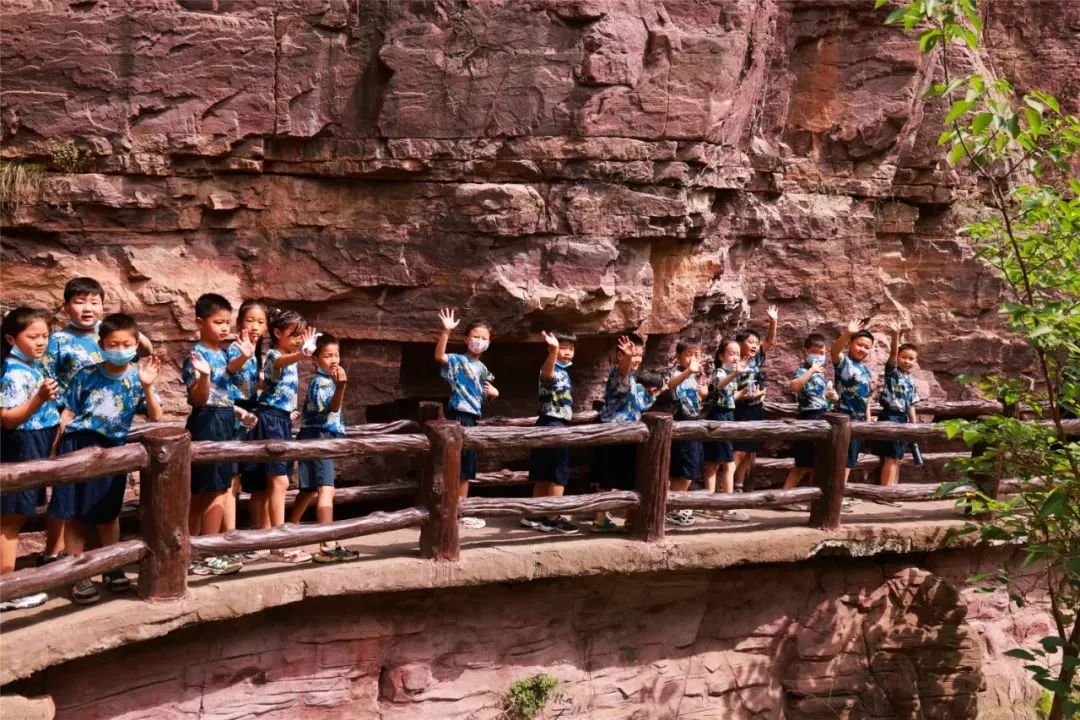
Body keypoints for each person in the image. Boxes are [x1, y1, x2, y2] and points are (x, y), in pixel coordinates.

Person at [50, 313, 162, 605]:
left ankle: (112, 566)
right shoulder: (86, 374)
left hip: (113, 449)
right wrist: (58, 447)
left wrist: (148, 386)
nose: (120, 349)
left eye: (126, 344)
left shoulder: (138, 378)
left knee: (108, 512)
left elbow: (155, 415)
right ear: (101, 345)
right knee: (75, 512)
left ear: (136, 344)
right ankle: (77, 571)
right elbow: (68, 411)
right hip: (78, 443)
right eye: (113, 344)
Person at [41, 277, 152, 564]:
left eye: (94, 302)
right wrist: (58, 423)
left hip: (109, 434)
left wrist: (130, 334)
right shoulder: (58, 340)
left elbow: (143, 350)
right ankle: (56, 557)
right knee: (67, 504)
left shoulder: (109, 335)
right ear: (66, 305)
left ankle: (107, 564)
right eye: (80, 302)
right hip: (72, 420)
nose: (87, 308)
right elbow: (47, 379)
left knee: (103, 507)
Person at [242, 308, 317, 563]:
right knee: (279, 481)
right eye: (294, 335)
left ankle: (267, 540)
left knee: (270, 483)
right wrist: (302, 353)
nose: (298, 340)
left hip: (281, 418)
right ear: (277, 333)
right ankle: (280, 543)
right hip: (270, 420)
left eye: (301, 336)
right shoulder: (275, 355)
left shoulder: (290, 357)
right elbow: (279, 364)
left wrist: (290, 411)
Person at [0, 308, 61, 611]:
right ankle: (7, 589)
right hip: (22, 446)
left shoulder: (30, 365)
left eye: (45, 336)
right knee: (10, 518)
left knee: (15, 516)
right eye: (32, 336)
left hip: (33, 444)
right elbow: (8, 419)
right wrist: (39, 398)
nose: (40, 342)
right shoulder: (13, 372)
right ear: (11, 339)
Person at [183, 293, 243, 576]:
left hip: (226, 419)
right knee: (210, 489)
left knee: (215, 488)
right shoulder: (196, 355)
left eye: (227, 322)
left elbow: (234, 390)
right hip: (207, 421)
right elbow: (198, 399)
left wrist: (245, 356)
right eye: (218, 322)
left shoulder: (225, 353)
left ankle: (196, 551)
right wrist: (204, 376)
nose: (224, 328)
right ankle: (205, 551)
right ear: (199, 322)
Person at [288, 333, 358, 562]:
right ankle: (327, 544)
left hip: (314, 436)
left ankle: (289, 531)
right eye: (328, 356)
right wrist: (342, 386)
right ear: (315, 359)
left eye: (336, 355)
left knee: (309, 489)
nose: (334, 359)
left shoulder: (326, 380)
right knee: (326, 489)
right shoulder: (321, 382)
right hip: (318, 437)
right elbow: (332, 408)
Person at [434, 308, 499, 530]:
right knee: (456, 466)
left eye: (484, 338)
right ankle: (453, 512)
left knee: (467, 467)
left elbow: (484, 394)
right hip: (458, 416)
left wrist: (495, 393)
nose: (479, 341)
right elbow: (439, 356)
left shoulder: (483, 369)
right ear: (466, 339)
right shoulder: (458, 360)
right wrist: (446, 331)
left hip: (473, 417)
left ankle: (460, 511)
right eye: (475, 336)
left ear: (489, 342)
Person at [589, 334, 658, 532]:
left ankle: (630, 520)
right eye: (632, 355)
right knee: (606, 479)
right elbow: (623, 372)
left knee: (631, 479)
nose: (637, 359)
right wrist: (627, 358)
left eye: (639, 355)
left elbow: (642, 405)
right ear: (620, 355)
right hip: (614, 434)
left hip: (631, 436)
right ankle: (600, 520)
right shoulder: (617, 374)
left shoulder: (636, 381)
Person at [521, 331, 579, 535]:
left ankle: (536, 514)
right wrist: (553, 352)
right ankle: (552, 518)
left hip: (546, 422)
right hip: (554, 423)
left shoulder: (564, 372)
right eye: (563, 348)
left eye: (571, 349)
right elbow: (547, 375)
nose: (567, 352)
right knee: (557, 472)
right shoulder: (551, 368)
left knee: (544, 472)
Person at [225, 299, 267, 539]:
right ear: (240, 322)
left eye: (260, 322)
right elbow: (229, 371)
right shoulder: (236, 348)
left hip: (249, 416)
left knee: (249, 476)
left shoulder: (256, 354)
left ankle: (254, 530)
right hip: (234, 414)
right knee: (232, 477)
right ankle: (230, 534)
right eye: (249, 320)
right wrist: (243, 357)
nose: (255, 326)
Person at [782, 334, 839, 503]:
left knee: (818, 463)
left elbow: (822, 399)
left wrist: (832, 397)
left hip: (822, 416)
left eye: (822, 353)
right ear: (805, 352)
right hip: (807, 417)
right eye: (814, 352)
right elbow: (794, 386)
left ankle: (814, 502)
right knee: (802, 464)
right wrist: (811, 371)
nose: (819, 356)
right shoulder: (802, 370)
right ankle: (783, 498)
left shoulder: (822, 375)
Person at [732, 306, 779, 492]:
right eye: (750, 342)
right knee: (738, 450)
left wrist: (773, 321)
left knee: (750, 451)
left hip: (755, 407)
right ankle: (724, 487)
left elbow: (770, 341)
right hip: (739, 407)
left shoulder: (756, 360)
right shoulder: (734, 361)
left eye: (756, 343)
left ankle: (738, 485)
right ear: (739, 343)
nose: (754, 345)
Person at [702, 338, 749, 522]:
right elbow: (718, 386)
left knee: (714, 463)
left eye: (738, 354)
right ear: (721, 356)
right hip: (719, 416)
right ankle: (727, 508)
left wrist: (743, 393)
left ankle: (709, 504)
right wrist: (735, 374)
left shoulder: (730, 374)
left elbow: (728, 396)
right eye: (731, 353)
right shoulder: (720, 372)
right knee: (727, 464)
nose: (736, 357)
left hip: (727, 415)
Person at [875, 319, 920, 491]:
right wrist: (896, 336)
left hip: (903, 419)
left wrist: (914, 425)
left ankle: (893, 489)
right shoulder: (892, 372)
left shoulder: (911, 381)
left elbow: (911, 404)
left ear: (915, 361)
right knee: (890, 457)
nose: (907, 361)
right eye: (904, 357)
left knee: (898, 457)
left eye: (911, 359)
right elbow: (892, 355)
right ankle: (886, 492)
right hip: (890, 415)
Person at [665, 340, 706, 527]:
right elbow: (670, 385)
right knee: (684, 467)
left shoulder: (695, 376)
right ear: (678, 357)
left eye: (697, 355)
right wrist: (689, 371)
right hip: (683, 422)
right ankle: (673, 507)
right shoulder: (678, 374)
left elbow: (699, 397)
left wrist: (703, 391)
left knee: (690, 466)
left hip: (695, 421)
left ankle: (676, 504)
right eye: (689, 354)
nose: (693, 359)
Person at [831, 318, 875, 482]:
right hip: (842, 418)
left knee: (849, 461)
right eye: (859, 344)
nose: (862, 349)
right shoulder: (844, 363)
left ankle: (840, 492)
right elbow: (834, 351)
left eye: (867, 347)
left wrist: (868, 419)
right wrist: (847, 333)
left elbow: (867, 397)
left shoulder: (867, 372)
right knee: (838, 459)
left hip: (859, 421)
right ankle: (834, 493)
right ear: (850, 344)